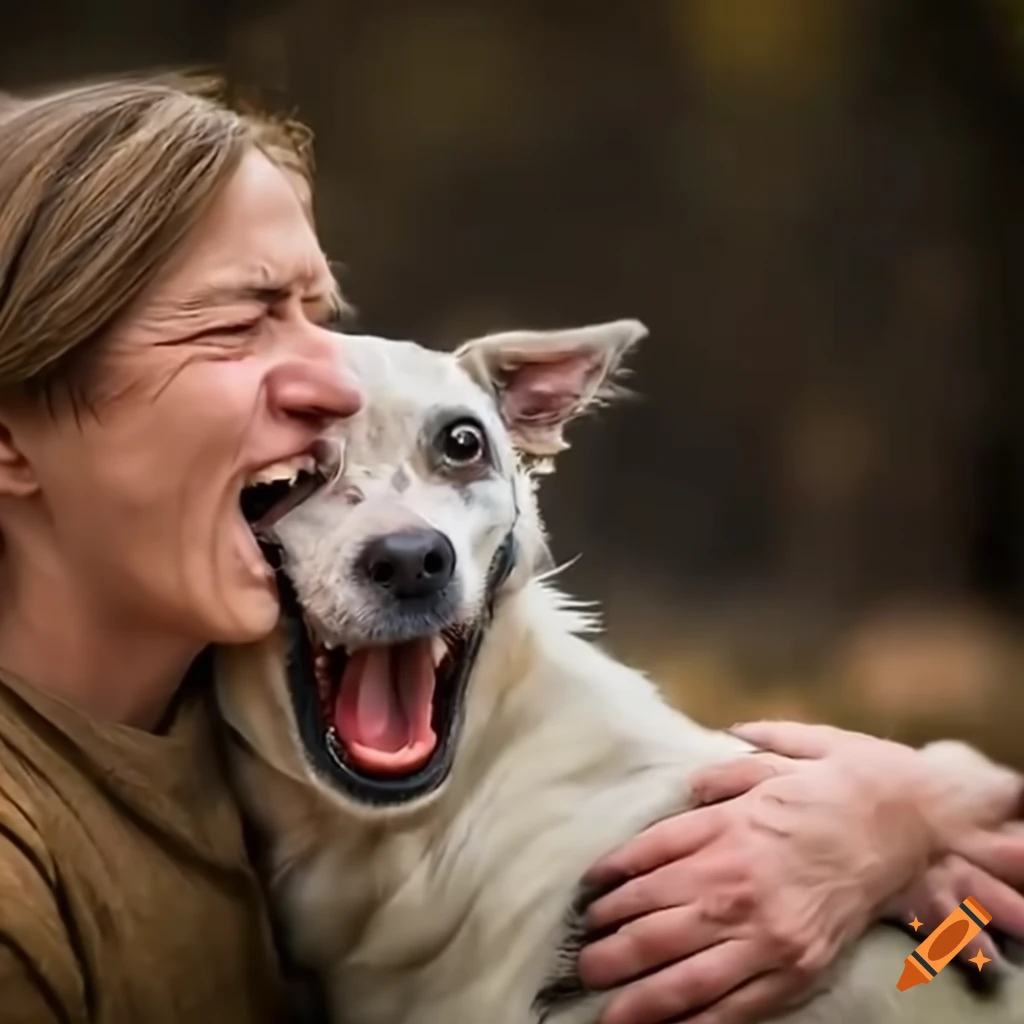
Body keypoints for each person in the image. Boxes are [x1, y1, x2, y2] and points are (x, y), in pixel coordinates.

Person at [0, 74, 1021, 1024]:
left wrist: (906, 820)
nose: (341, 377)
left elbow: (968, 960)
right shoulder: (37, 863)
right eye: (237, 323)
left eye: (317, 312)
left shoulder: (237, 719)